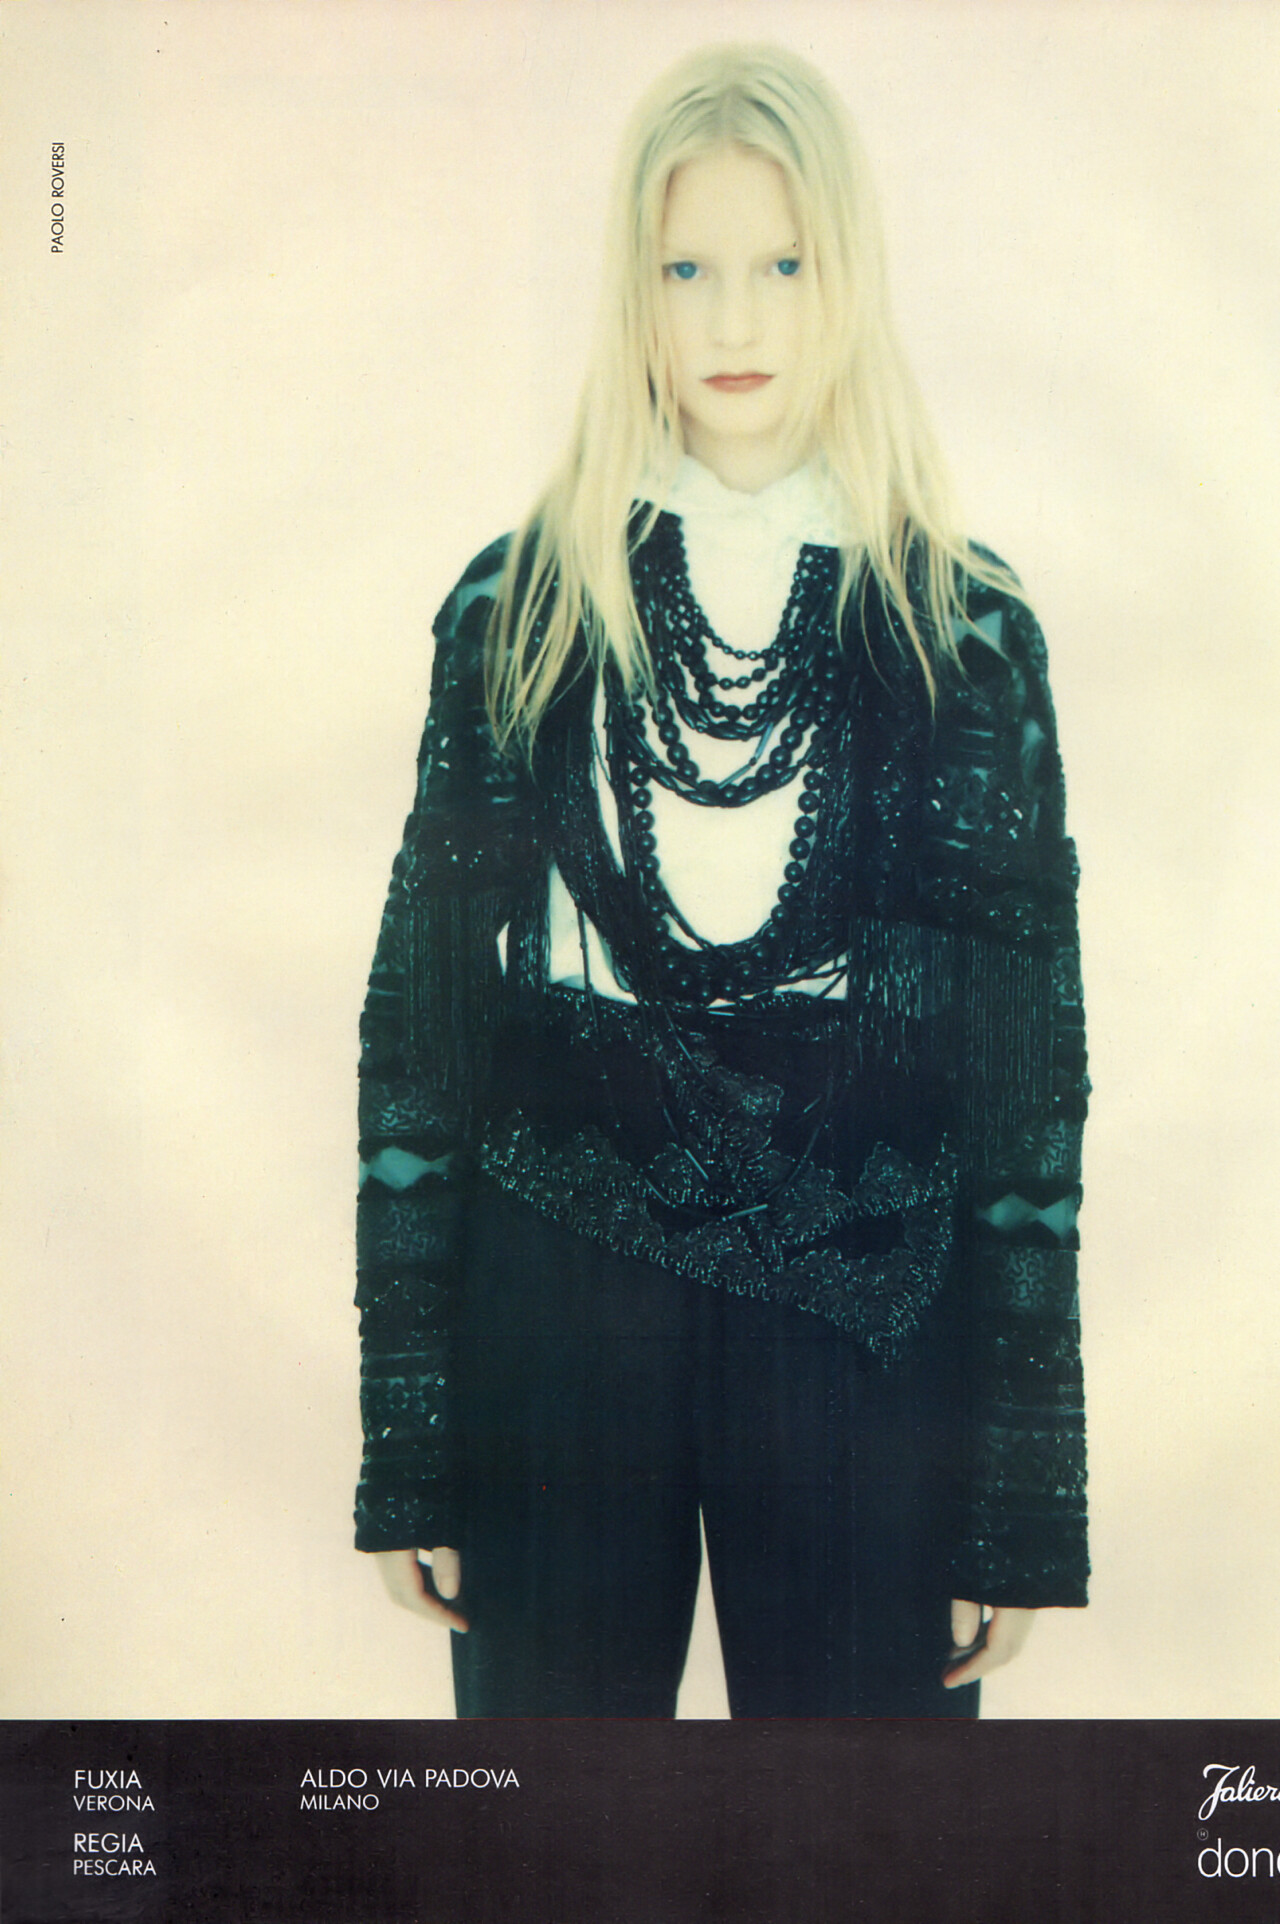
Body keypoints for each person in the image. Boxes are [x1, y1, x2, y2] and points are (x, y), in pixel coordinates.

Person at [353, 42, 1089, 1718]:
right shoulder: (518, 612)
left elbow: (1021, 1085)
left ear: (849, 278)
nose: (734, 321)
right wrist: (413, 1431)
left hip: (867, 1328)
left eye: (783, 265)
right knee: (551, 1833)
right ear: (634, 288)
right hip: (555, 1309)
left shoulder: (962, 633)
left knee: (861, 1831)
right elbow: (422, 1036)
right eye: (687, 270)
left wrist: (1018, 1485)